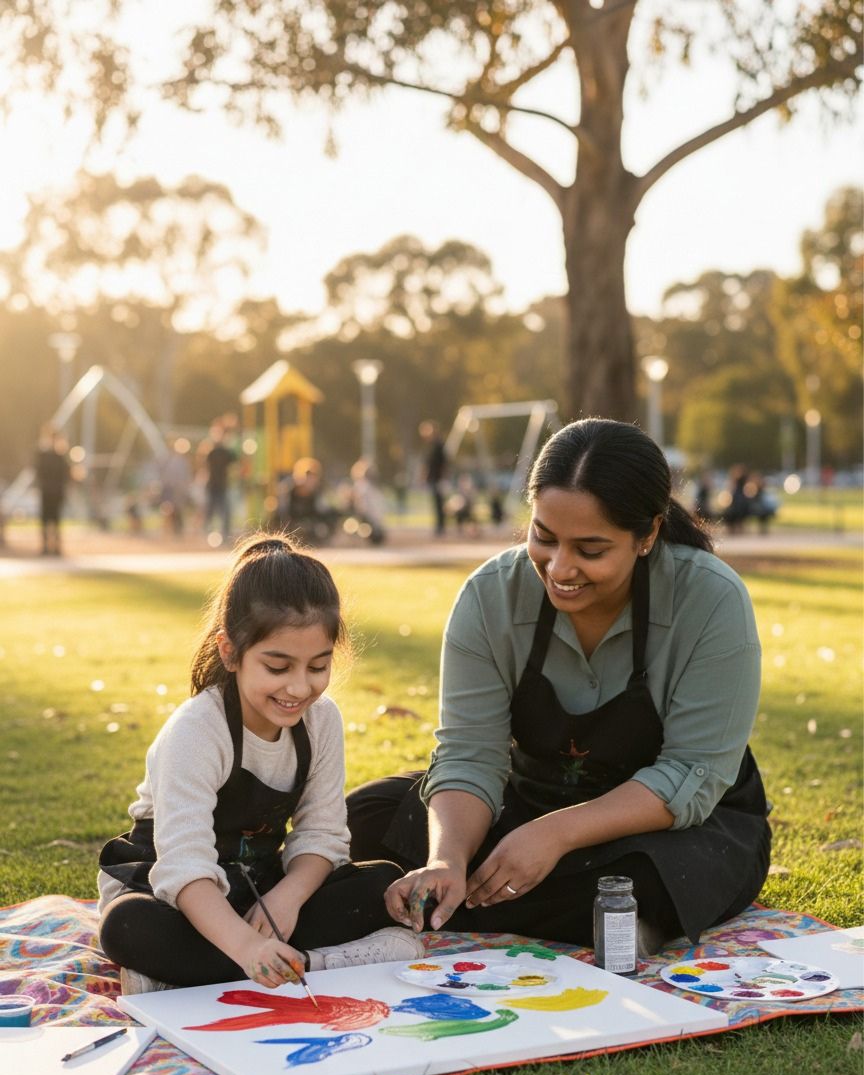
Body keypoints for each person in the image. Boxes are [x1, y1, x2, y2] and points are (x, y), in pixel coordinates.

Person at [347, 418, 771, 955]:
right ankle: (523, 902)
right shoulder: (489, 596)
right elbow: (470, 755)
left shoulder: (710, 600)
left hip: (662, 829)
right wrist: (448, 859)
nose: (560, 568)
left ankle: (526, 906)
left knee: (644, 885)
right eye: (543, 538)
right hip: (529, 800)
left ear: (648, 536)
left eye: (590, 550)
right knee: (364, 820)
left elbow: (692, 775)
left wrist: (553, 836)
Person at [98, 533, 423, 993]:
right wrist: (248, 948)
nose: (298, 688)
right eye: (278, 667)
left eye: (317, 667)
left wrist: (286, 898)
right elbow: (184, 866)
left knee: (381, 884)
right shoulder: (197, 730)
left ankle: (222, 969)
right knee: (127, 927)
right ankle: (313, 962)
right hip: (172, 888)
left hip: (257, 887)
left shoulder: (322, 721)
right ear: (230, 652)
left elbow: (322, 835)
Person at [34, 427, 71, 556]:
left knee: (54, 520)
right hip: (48, 492)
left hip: (54, 493)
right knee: (47, 520)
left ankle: (55, 546)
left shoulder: (59, 456)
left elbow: (66, 474)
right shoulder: (44, 455)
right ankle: (46, 546)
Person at [202, 419, 237, 540]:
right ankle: (207, 533)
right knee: (210, 512)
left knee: (224, 511)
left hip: (222, 485)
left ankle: (224, 534)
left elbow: (236, 461)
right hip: (213, 485)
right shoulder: (212, 451)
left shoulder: (225, 452)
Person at [419, 420, 448, 537]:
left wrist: (442, 477)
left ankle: (441, 526)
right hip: (433, 478)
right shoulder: (430, 446)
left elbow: (444, 463)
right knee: (436, 502)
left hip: (438, 478)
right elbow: (427, 464)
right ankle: (438, 526)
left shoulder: (439, 445)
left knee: (439, 502)